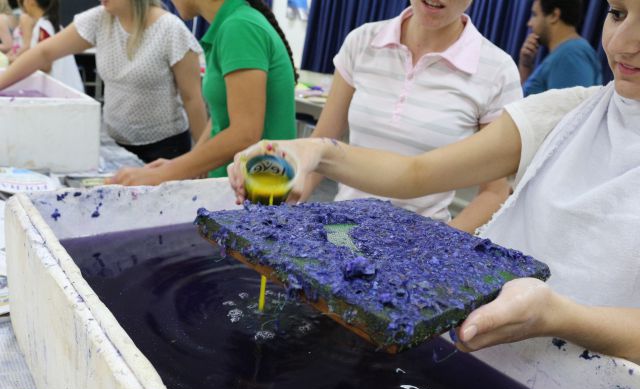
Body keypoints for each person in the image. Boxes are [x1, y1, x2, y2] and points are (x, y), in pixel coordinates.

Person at [228, 0, 640, 364]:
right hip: (475, 344)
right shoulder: (565, 112)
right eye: (617, 13)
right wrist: (316, 152)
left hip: (586, 378)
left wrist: (558, 316)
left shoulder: (496, 71)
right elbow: (417, 173)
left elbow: (488, 192)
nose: (623, 43)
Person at [300, 0, 522, 234]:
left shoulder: (497, 70)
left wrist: (441, 245)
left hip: (424, 240)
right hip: (340, 231)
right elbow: (320, 145)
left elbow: (495, 191)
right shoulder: (363, 41)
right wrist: (280, 212)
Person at [107, 0, 297, 186]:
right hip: (237, 183)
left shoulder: (240, 27)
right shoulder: (230, 24)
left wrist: (165, 173)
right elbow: (222, 115)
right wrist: (184, 164)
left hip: (259, 189)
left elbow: (245, 134)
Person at [0, 0, 207, 163]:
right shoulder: (100, 19)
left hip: (166, 149)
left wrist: (200, 158)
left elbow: (192, 98)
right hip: (116, 145)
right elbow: (44, 53)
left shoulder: (170, 29)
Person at [519, 0, 602, 96]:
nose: (529, 23)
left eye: (534, 14)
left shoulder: (571, 54)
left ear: (554, 15)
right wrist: (526, 65)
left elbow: (572, 104)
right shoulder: (568, 53)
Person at [14, 0, 84, 92]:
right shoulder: (49, 24)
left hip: (64, 89)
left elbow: (46, 65)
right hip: (66, 88)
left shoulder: (44, 26)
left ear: (31, 1)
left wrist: (22, 64)